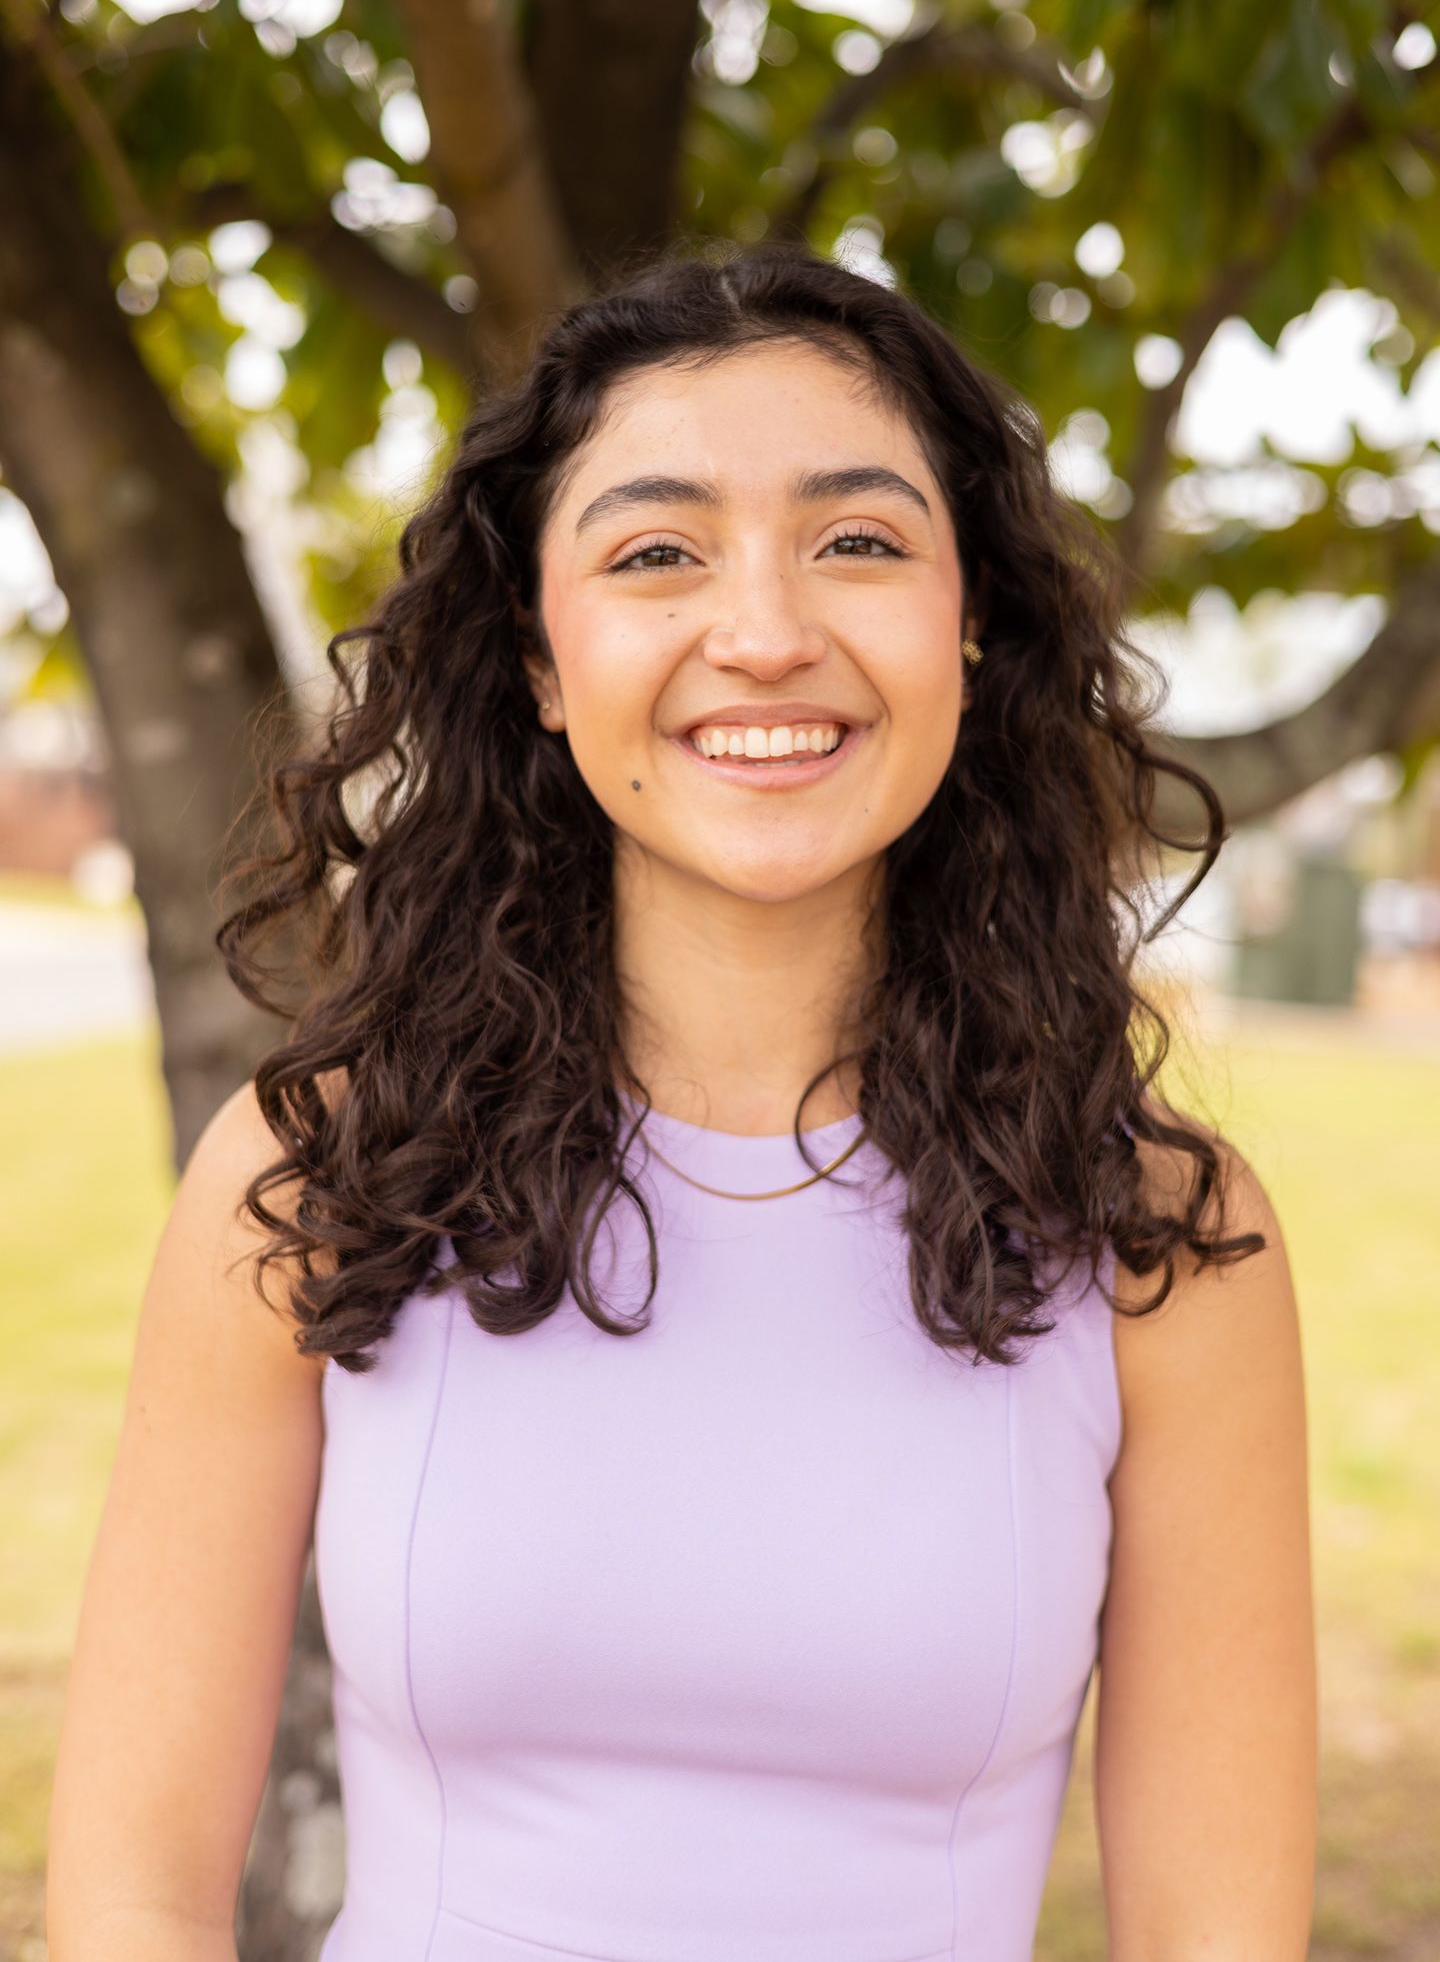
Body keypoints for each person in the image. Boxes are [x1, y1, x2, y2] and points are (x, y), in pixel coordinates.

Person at [46, 239, 1316, 1961]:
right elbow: (132, 1896)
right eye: (658, 553)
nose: (768, 632)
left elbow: (1218, 1942)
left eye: (859, 542)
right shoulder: (324, 1176)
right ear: (543, 664)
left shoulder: (1160, 1238)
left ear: (974, 627)